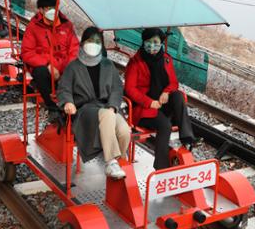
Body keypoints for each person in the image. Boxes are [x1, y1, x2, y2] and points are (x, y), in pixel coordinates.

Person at [57, 27, 131, 179]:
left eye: (98, 42)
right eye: (90, 41)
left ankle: (119, 160)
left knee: (124, 131)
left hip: (106, 107)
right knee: (107, 115)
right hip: (85, 110)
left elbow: (117, 89)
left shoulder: (107, 65)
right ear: (83, 42)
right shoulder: (73, 66)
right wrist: (68, 103)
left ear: (102, 45)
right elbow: (64, 88)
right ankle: (110, 162)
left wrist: (112, 105)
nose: (94, 44)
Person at [125, 28, 195, 170]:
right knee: (165, 126)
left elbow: (174, 83)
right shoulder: (135, 62)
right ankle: (161, 167)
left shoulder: (166, 59)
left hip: (162, 104)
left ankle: (187, 138)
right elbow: (130, 89)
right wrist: (149, 102)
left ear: (161, 43)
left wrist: (166, 92)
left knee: (178, 95)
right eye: (149, 42)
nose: (152, 45)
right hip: (144, 109)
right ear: (144, 42)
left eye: (156, 42)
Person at [21, 0, 79, 114]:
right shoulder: (33, 27)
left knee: (78, 70)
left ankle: (77, 105)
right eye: (48, 8)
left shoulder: (67, 25)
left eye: (54, 7)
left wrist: (66, 68)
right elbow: (27, 53)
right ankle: (53, 108)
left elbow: (74, 49)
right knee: (40, 72)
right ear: (41, 10)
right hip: (45, 67)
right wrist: (49, 65)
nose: (52, 11)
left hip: (64, 66)